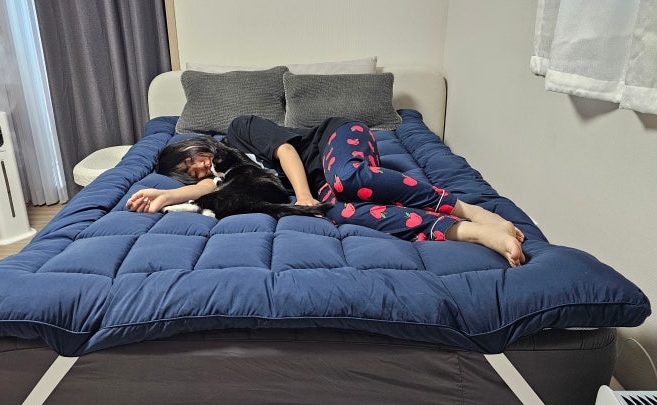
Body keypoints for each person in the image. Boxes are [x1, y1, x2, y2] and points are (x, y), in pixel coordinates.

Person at [127, 116, 525, 267]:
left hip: (337, 139)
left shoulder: (238, 130)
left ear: (196, 145)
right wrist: (167, 196)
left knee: (346, 180)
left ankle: (463, 207)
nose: (196, 167)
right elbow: (208, 186)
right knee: (333, 211)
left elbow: (286, 151)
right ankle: (465, 231)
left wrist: (302, 196)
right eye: (186, 173)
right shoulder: (227, 173)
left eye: (191, 159)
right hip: (321, 183)